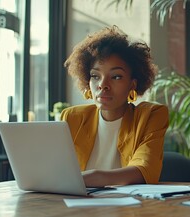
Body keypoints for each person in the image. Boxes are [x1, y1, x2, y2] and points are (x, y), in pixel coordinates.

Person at [61, 26, 169, 187]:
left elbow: (144, 171)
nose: (103, 85)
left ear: (132, 84)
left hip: (130, 209)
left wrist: (84, 179)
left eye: (116, 77)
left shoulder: (151, 115)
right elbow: (57, 170)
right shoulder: (71, 117)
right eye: (95, 76)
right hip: (77, 205)